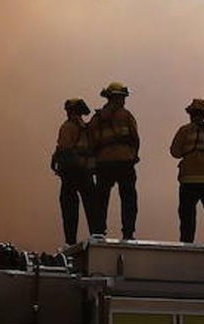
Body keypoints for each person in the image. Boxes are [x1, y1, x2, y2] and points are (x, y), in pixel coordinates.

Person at [169, 98, 204, 244]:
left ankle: (186, 247)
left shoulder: (184, 131)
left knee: (187, 218)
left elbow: (174, 152)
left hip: (189, 181)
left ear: (191, 114)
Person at [88, 82, 140, 240]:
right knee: (128, 199)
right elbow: (135, 139)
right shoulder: (127, 115)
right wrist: (133, 155)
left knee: (101, 200)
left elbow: (91, 141)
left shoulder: (97, 118)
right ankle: (128, 233)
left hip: (104, 163)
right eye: (123, 98)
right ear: (119, 98)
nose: (124, 101)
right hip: (125, 162)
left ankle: (98, 231)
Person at [51, 98, 100, 244]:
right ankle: (96, 236)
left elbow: (64, 149)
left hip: (71, 173)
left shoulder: (68, 127)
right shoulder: (87, 129)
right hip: (86, 172)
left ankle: (71, 241)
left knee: (69, 208)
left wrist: (56, 161)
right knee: (91, 206)